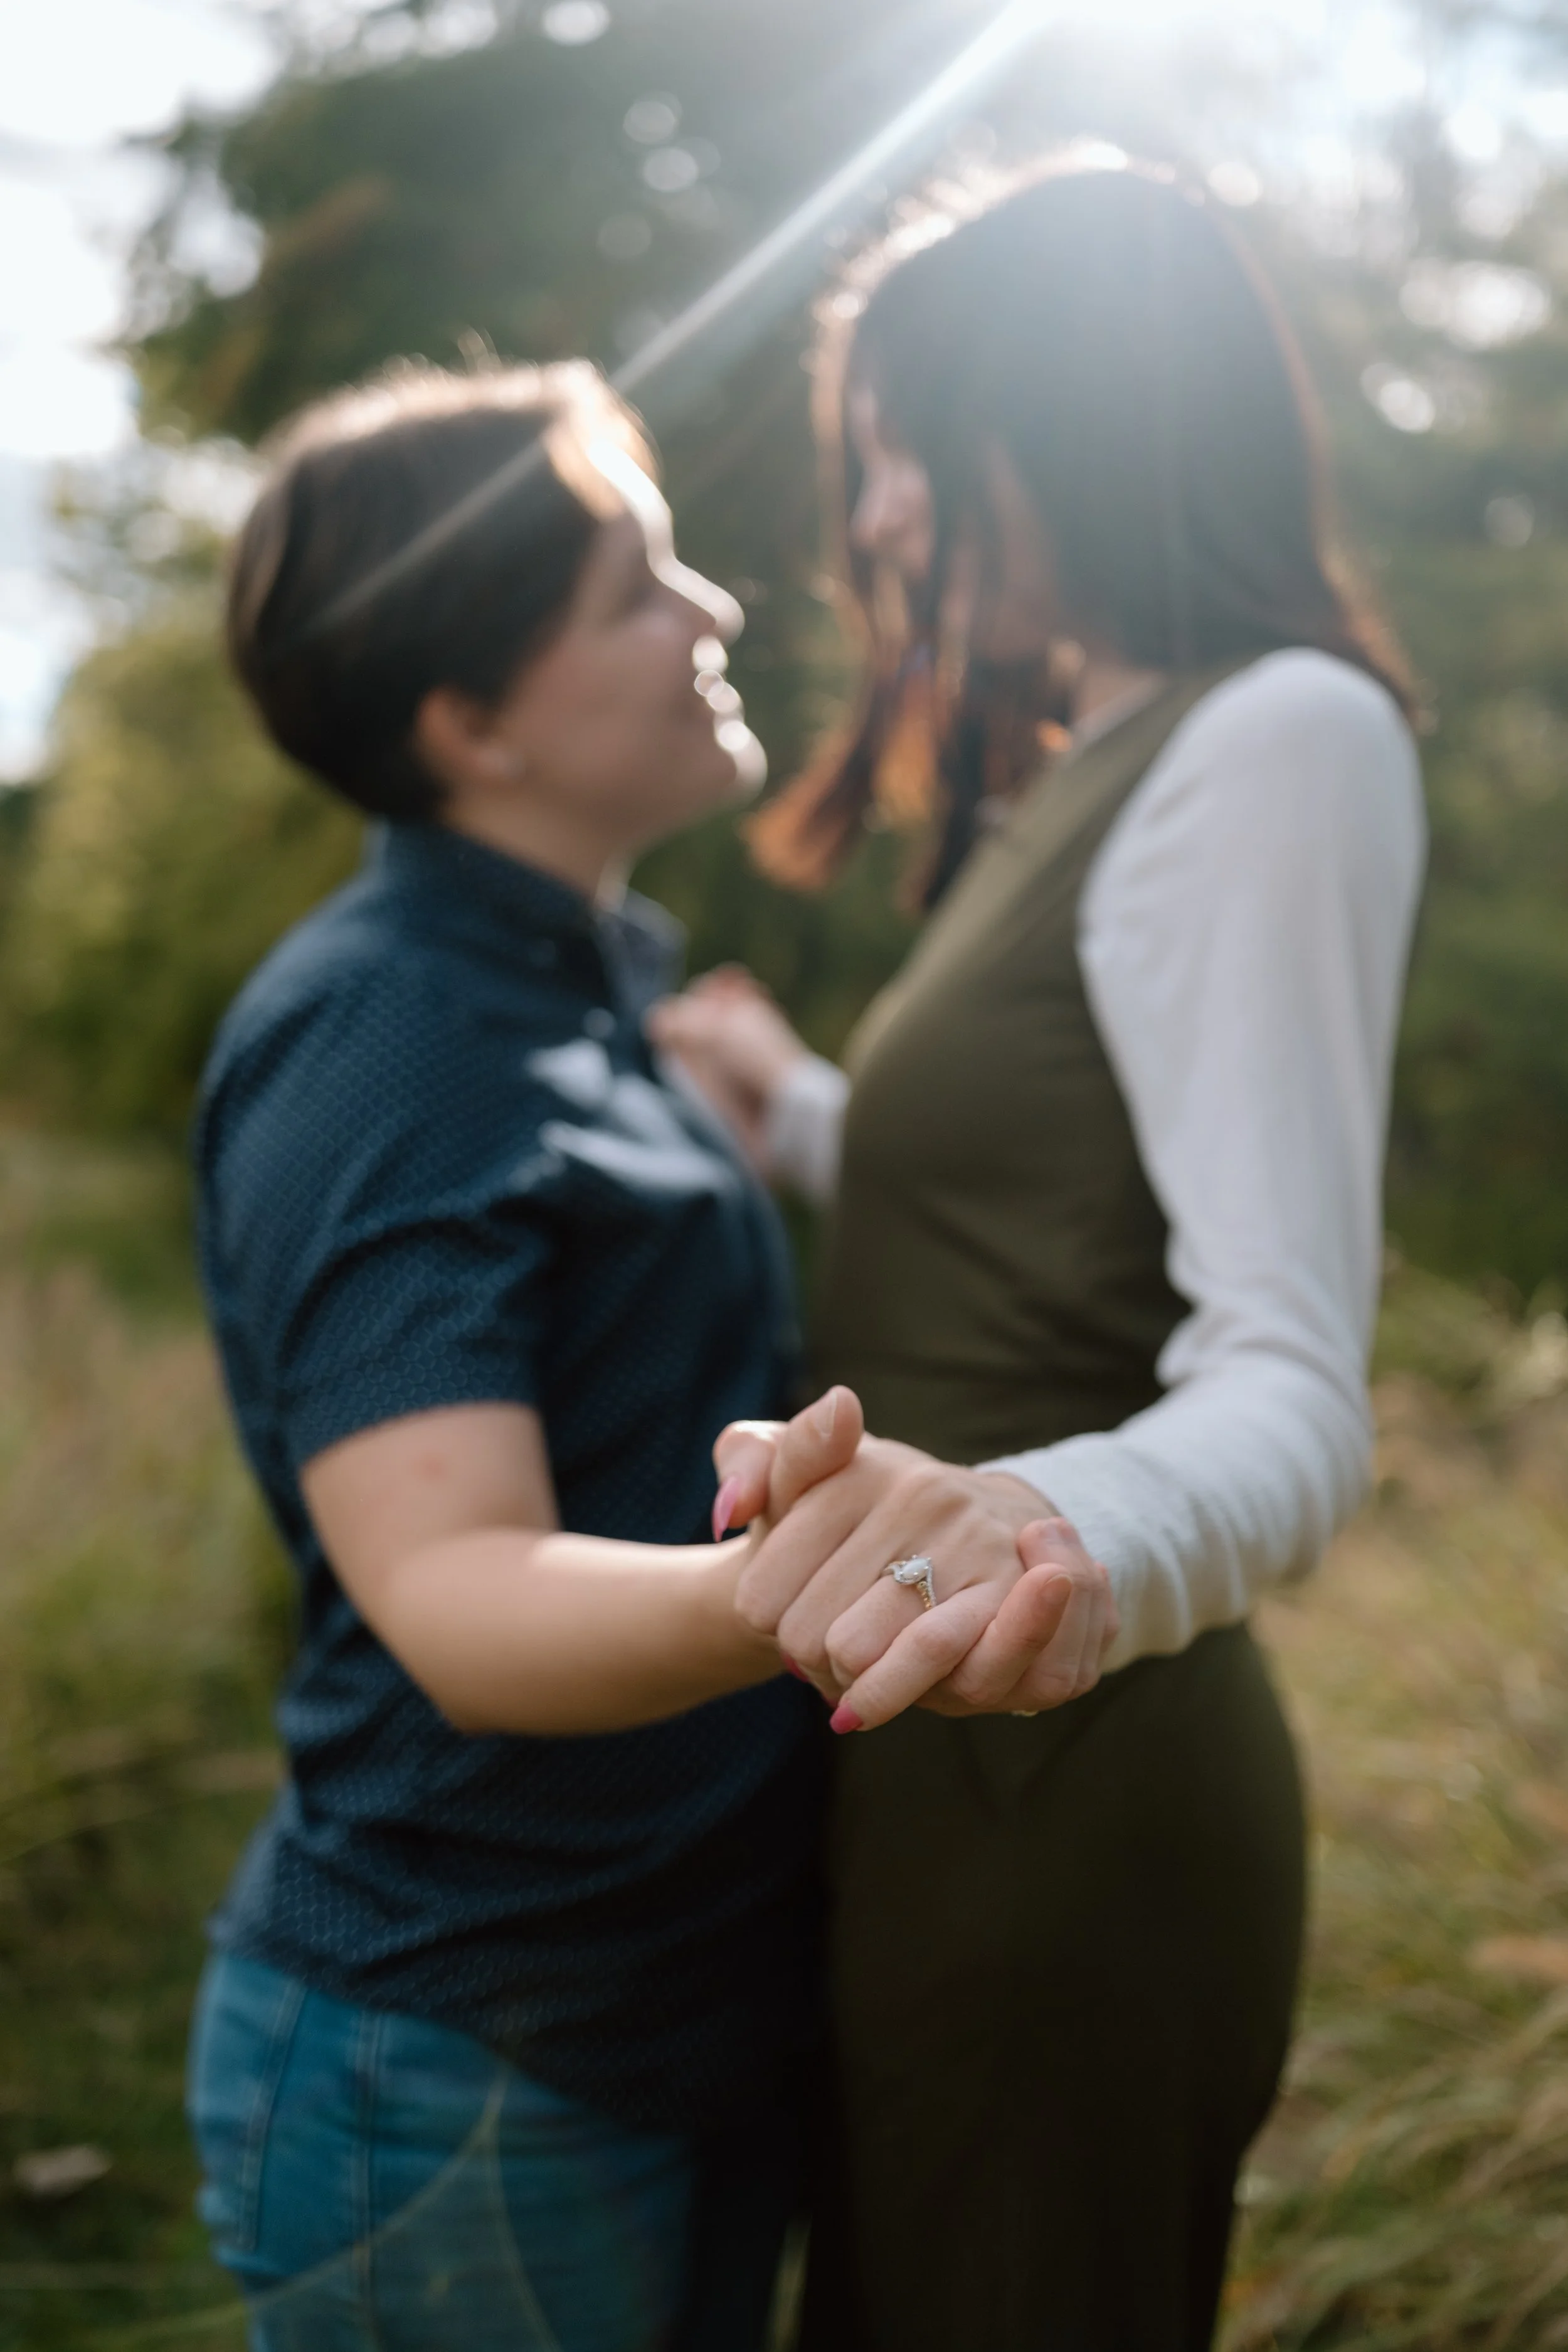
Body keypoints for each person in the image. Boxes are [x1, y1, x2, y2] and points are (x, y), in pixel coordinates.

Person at [186, 357, 1101, 2352]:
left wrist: (767, 1109)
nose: (717, 610)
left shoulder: (580, 999)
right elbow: (449, 1585)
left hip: (655, 2015)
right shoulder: (397, 1032)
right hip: (466, 2054)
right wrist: (807, 1581)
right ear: (467, 715)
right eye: (633, 584)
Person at [652, 158, 1428, 2349]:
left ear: (1068, 411)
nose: (876, 518)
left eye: (902, 443)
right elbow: (1038, 1207)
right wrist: (797, 1102)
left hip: (1064, 1790)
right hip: (921, 1762)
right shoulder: (1074, 772)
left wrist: (1044, 1521)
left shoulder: (1275, 732)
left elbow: (1291, 1376)